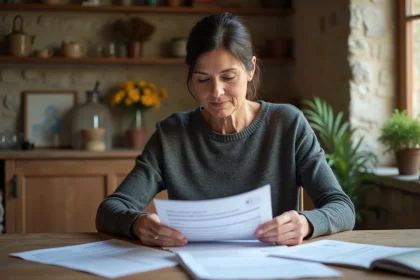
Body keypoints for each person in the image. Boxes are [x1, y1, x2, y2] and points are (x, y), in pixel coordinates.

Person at [96, 13, 355, 247]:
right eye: (203, 79)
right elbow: (110, 209)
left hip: (272, 269)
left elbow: (342, 208)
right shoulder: (172, 135)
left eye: (228, 77)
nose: (216, 92)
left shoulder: (287, 124)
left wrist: (307, 223)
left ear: (251, 69)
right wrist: (138, 223)